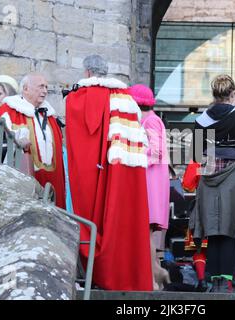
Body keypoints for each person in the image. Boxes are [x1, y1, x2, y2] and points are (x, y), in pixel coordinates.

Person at [65, 54, 153, 291]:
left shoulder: (77, 98)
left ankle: (92, 272)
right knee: (120, 218)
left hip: (89, 173)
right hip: (119, 173)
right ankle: (124, 275)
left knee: (86, 216)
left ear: (87, 73)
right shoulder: (125, 99)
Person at [188, 74, 235, 293]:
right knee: (230, 230)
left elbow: (195, 152)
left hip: (210, 176)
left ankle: (214, 281)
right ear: (232, 94)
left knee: (213, 230)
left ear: (213, 96)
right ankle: (224, 282)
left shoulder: (202, 120)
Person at [0, 73, 66, 208]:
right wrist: (16, 144)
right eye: (41, 86)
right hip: (24, 178)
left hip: (53, 180)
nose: (45, 91)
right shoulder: (9, 111)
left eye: (46, 87)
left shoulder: (49, 115)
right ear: (26, 89)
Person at [128, 84, 171, 290]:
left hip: (150, 183)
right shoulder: (149, 119)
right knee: (146, 233)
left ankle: (154, 276)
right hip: (151, 181)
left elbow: (154, 153)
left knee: (146, 232)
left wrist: (130, 152)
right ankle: (154, 276)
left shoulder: (150, 121)